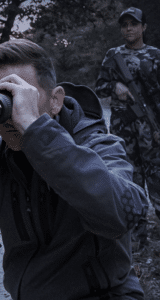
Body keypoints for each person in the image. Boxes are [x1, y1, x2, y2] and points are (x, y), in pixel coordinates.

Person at [0, 38, 149, 300]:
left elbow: (124, 216)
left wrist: (37, 132)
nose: (9, 113)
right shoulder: (0, 157)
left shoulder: (97, 145)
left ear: (55, 101)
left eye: (20, 96)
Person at [95, 7, 160, 246]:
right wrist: (115, 88)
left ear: (143, 27)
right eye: (125, 25)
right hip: (124, 129)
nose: (129, 28)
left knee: (157, 180)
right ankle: (136, 240)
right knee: (130, 181)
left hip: (151, 131)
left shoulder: (155, 55)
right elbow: (100, 87)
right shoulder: (114, 55)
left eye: (134, 24)